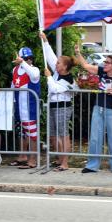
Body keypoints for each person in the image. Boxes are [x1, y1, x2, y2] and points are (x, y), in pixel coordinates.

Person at [75, 46, 112, 173]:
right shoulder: (102, 71)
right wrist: (78, 53)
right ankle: (92, 165)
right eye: (105, 62)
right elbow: (86, 66)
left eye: (107, 62)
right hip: (99, 108)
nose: (105, 64)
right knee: (95, 137)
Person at [40, 32, 77, 171]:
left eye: (59, 63)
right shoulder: (57, 72)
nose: (56, 64)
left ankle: (65, 163)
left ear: (65, 67)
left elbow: (55, 89)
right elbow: (50, 57)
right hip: (52, 106)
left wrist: (49, 77)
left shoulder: (68, 80)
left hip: (63, 107)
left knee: (63, 134)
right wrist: (45, 41)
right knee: (53, 135)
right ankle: (59, 159)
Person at [11, 47, 41, 169]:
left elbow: (33, 75)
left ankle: (33, 160)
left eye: (30, 58)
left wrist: (22, 62)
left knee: (33, 135)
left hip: (30, 109)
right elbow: (12, 86)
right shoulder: (15, 70)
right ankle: (22, 157)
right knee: (22, 134)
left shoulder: (34, 70)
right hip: (19, 108)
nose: (29, 60)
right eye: (25, 58)